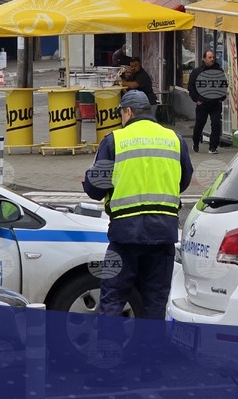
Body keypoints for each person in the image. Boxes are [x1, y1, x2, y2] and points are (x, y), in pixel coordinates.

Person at [82, 90, 193, 321]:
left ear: (128, 112)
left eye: (121, 114)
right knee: (155, 299)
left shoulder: (114, 140)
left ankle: (108, 345)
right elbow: (184, 181)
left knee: (113, 297)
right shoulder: (175, 139)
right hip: (163, 234)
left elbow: (95, 189)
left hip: (125, 235)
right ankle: (149, 345)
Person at [188, 50, 225, 154]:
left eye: (213, 57)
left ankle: (213, 147)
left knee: (216, 124)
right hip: (202, 104)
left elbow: (223, 84)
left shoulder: (219, 71)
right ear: (204, 59)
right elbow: (191, 86)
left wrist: (221, 98)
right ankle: (196, 142)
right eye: (209, 57)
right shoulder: (197, 72)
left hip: (215, 103)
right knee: (199, 125)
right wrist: (196, 99)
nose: (212, 59)